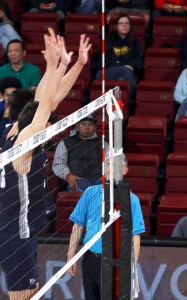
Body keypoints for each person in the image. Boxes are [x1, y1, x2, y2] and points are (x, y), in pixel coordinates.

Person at [0, 28, 90, 300]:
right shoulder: (21, 147)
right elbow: (44, 107)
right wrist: (53, 65)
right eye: (48, 126)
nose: (51, 128)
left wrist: (72, 65)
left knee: (31, 292)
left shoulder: (14, 130)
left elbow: (47, 100)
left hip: (21, 230)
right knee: (24, 295)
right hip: (14, 233)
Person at [66, 154, 146, 300]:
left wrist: (131, 267)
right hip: (91, 260)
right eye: (108, 163)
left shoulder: (132, 200)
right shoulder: (90, 193)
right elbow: (77, 225)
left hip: (116, 262)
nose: (111, 167)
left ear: (125, 170)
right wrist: (71, 255)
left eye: (116, 164)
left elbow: (136, 236)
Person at [95, 14, 143, 99]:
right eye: (121, 23)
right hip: (105, 72)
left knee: (122, 80)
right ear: (116, 27)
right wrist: (124, 66)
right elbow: (104, 62)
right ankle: (135, 97)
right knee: (124, 71)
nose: (124, 25)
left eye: (127, 23)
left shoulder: (134, 41)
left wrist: (130, 66)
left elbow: (139, 60)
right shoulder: (108, 40)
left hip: (126, 73)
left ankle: (122, 105)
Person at [52, 115, 104, 192]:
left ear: (95, 127)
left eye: (90, 124)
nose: (87, 127)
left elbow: (111, 161)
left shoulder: (103, 144)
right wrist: (67, 175)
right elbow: (58, 164)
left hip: (98, 180)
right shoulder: (65, 143)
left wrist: (107, 174)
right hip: (76, 181)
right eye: (83, 124)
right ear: (77, 126)